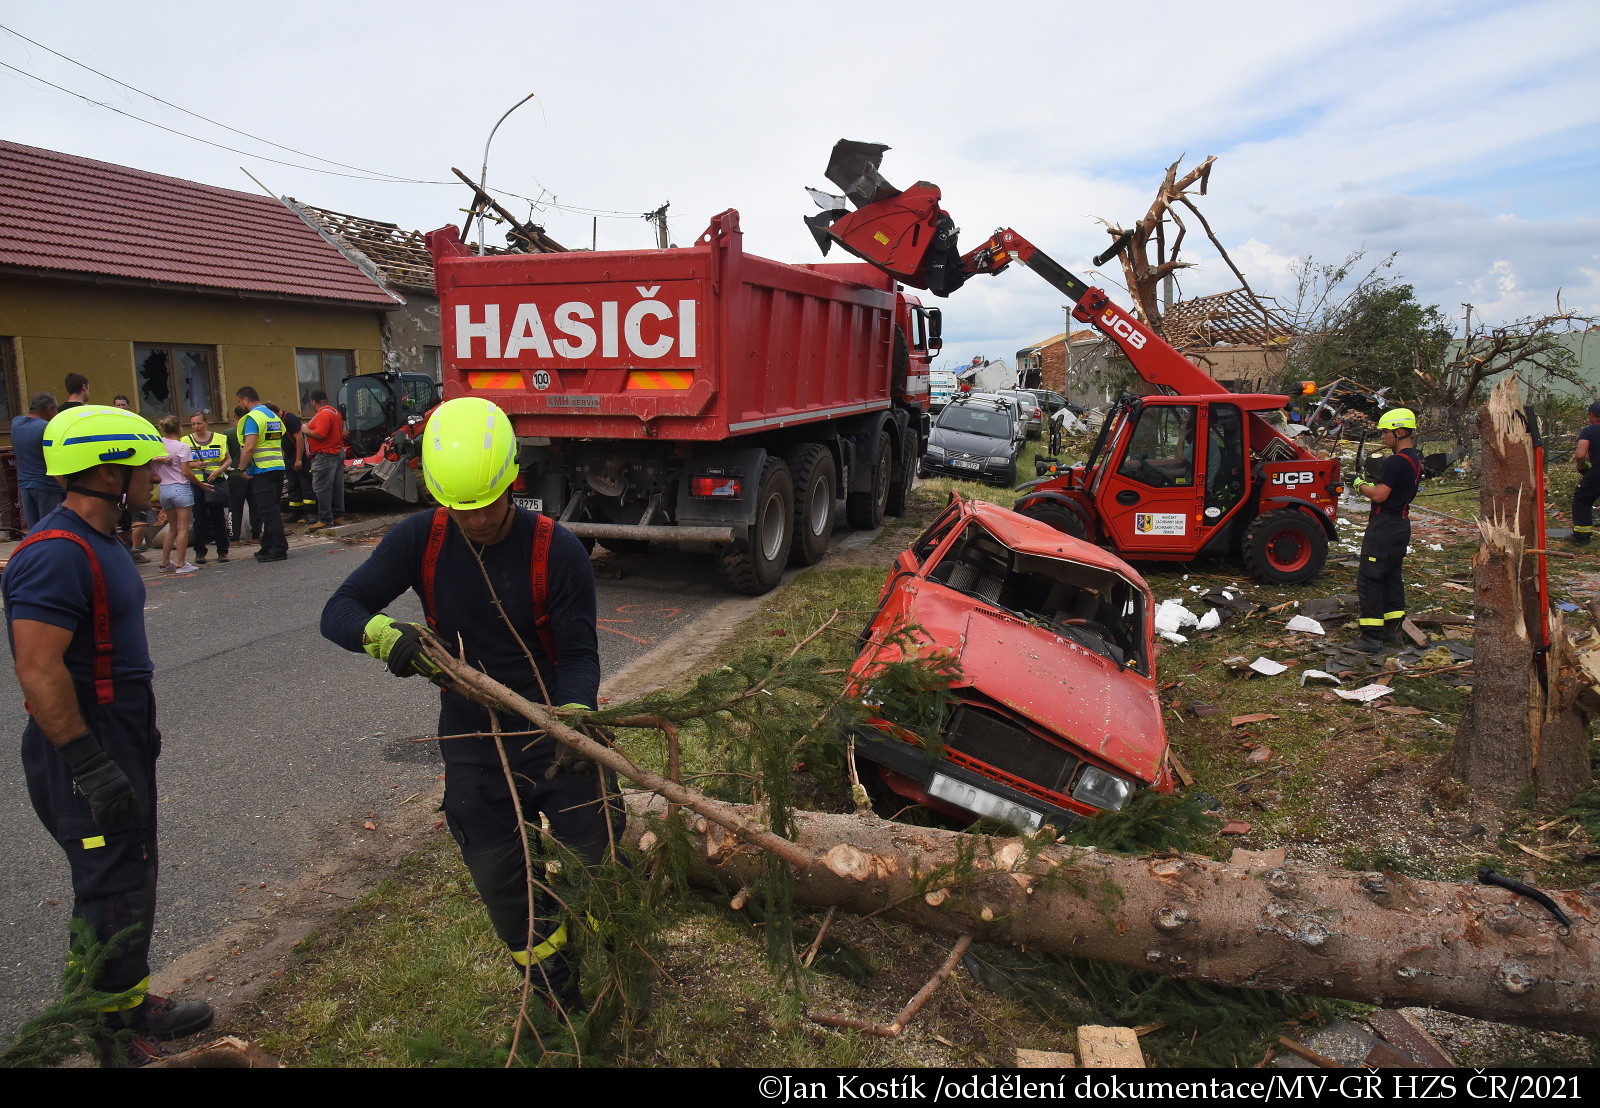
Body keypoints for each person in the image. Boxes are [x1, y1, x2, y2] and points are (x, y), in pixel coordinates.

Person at [320, 397, 610, 1012]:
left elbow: (580, 656)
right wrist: (386, 638)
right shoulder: (419, 540)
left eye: (484, 505)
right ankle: (555, 992)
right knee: (502, 880)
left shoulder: (557, 552)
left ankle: (611, 958)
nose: (473, 521)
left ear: (512, 480)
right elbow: (337, 613)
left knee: (598, 857)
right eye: (459, 508)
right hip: (473, 736)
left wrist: (577, 721)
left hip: (556, 728)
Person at [3, 405, 214, 1065]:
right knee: (112, 884)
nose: (155, 473)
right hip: (83, 744)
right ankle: (112, 1041)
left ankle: (124, 1002)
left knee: (126, 875)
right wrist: (90, 764)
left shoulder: (102, 540)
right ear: (106, 471)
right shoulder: (54, 554)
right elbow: (38, 670)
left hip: (116, 730)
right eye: (142, 463)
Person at [1348, 408, 1424, 652]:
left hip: (1384, 526)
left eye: (1385, 432)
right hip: (1401, 526)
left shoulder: (1395, 460)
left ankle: (1371, 637)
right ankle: (1393, 631)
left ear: (1399, 432)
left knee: (1370, 578)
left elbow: (1380, 495)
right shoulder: (1414, 459)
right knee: (1391, 576)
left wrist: (1360, 485)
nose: (1382, 437)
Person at [234, 387, 287, 562]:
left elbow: (249, 447)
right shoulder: (273, 416)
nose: (240, 405)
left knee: (269, 510)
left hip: (262, 469)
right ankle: (267, 546)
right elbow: (279, 442)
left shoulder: (252, 418)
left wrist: (241, 468)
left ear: (246, 400)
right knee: (272, 508)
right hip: (277, 466)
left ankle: (279, 548)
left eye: (240, 401)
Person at [147, 416, 196, 575]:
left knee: (172, 528)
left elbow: (148, 460)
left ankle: (165, 562)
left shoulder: (158, 444)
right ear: (179, 428)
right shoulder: (182, 447)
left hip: (165, 489)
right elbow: (186, 472)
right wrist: (201, 484)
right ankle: (181, 564)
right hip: (181, 488)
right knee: (183, 528)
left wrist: (160, 458)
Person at [183, 412, 231, 564]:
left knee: (218, 517)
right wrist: (194, 464)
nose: (196, 427)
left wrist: (219, 470)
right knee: (199, 518)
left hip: (215, 481)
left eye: (199, 423)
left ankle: (223, 551)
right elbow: (181, 462)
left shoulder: (220, 438)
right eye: (193, 424)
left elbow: (227, 459)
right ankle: (200, 552)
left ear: (206, 422)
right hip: (196, 483)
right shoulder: (186, 441)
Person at [12, 391, 62, 527]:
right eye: (55, 409)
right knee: (51, 528)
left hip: (25, 485)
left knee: (34, 530)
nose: (56, 414)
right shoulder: (46, 428)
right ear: (49, 409)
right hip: (47, 486)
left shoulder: (16, 423)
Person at [301, 389, 346, 531]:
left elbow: (320, 434)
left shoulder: (324, 414)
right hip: (336, 451)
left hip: (325, 454)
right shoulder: (335, 413)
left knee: (322, 487)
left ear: (313, 401)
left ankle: (325, 518)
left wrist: (305, 429)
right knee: (336, 485)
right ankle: (337, 514)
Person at [1567, 401, 1600, 546]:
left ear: (1591, 415)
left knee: (1582, 499)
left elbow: (1580, 455)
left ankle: (1581, 536)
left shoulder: (1589, 431)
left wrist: (1582, 468)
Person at [223, 412, 257, 546]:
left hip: (235, 474)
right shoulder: (253, 432)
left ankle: (234, 538)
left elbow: (224, 454)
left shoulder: (228, 433)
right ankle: (255, 536)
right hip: (253, 472)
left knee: (235, 507)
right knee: (255, 505)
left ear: (234, 417)